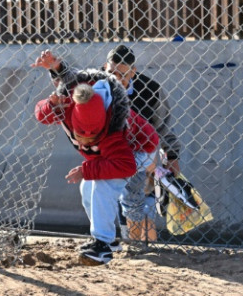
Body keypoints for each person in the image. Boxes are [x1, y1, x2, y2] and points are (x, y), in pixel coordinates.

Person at [33, 45, 179, 243]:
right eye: (111, 72)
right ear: (104, 68)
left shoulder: (151, 90)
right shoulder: (99, 84)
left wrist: (172, 156)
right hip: (108, 151)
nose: (116, 78)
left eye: (122, 73)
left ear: (133, 71)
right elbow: (70, 83)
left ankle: (140, 244)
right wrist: (55, 68)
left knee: (133, 197)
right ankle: (108, 239)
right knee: (90, 188)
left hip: (140, 150)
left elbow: (163, 126)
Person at [35, 81, 136, 265]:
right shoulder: (69, 108)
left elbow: (127, 166)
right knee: (87, 185)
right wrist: (51, 105)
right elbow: (42, 115)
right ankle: (108, 241)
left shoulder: (113, 128)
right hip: (112, 157)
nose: (84, 143)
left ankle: (102, 246)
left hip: (142, 153)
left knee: (102, 184)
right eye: (81, 136)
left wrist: (86, 169)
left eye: (92, 138)